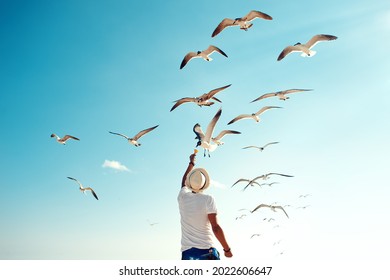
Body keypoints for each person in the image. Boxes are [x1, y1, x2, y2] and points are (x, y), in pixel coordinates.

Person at [178, 151, 233, 260]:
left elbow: (183, 183)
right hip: (207, 251)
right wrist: (227, 249)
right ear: (204, 184)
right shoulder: (208, 199)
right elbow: (215, 227)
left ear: (189, 183)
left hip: (188, 254)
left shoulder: (182, 198)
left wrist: (191, 163)